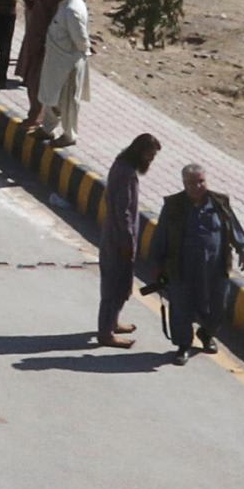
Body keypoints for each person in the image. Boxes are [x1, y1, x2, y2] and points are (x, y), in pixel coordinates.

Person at [150, 164, 244, 362]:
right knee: (181, 307)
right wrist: (157, 265)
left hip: (215, 268)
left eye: (201, 181)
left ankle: (207, 334)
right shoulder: (173, 206)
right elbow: (160, 236)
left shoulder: (219, 202)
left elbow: (233, 227)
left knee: (217, 306)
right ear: (184, 184)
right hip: (182, 268)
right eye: (191, 183)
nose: (197, 186)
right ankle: (183, 346)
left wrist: (243, 250)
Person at [98, 133, 160, 349]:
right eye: (149, 157)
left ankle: (112, 323)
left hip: (114, 236)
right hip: (119, 240)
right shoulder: (126, 174)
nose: (150, 161)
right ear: (139, 152)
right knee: (114, 286)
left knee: (121, 284)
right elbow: (123, 211)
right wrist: (127, 241)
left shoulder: (122, 166)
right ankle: (105, 333)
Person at [35, 0, 93, 147]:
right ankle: (47, 129)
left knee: (68, 103)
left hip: (68, 65)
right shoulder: (66, 4)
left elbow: (81, 40)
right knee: (53, 98)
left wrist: (86, 48)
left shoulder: (72, 10)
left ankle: (69, 135)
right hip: (57, 63)